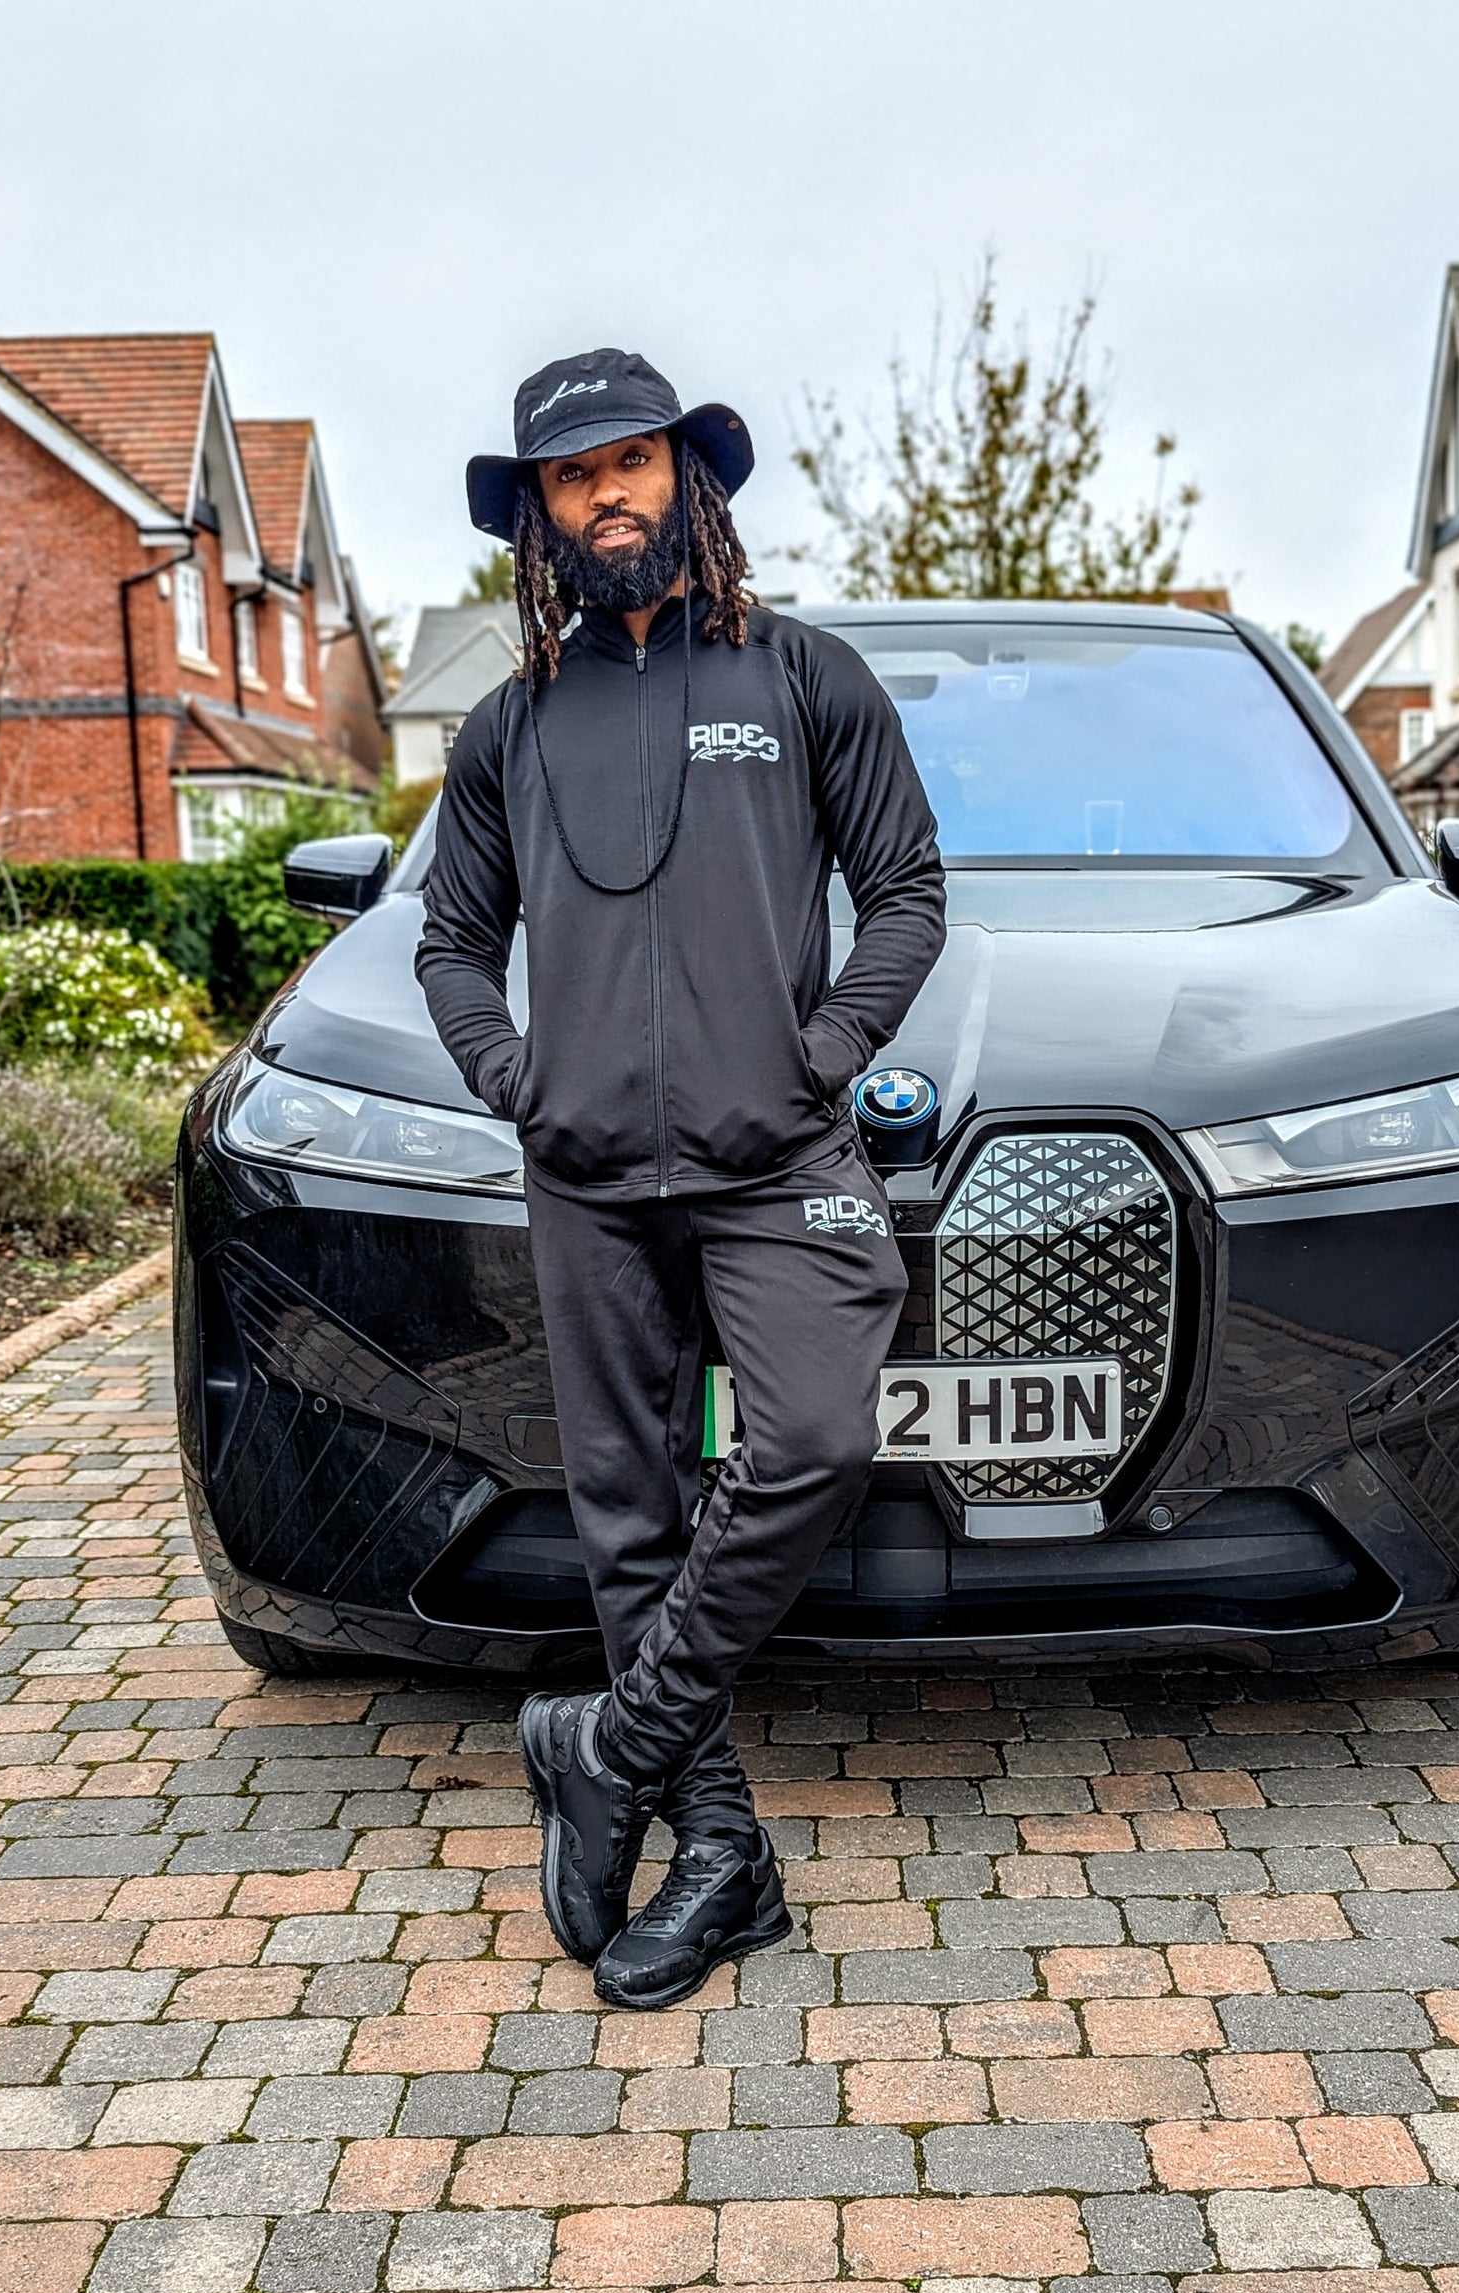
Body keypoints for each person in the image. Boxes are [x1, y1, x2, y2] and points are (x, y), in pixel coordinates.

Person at [415, 350, 945, 2011]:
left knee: (814, 1441)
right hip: (585, 1175)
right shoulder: (510, 725)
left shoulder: (800, 675)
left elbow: (907, 889)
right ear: (540, 515)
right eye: (573, 476)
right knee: (629, 1518)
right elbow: (450, 945)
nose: (607, 495)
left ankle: (608, 1741)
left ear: (687, 479)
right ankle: (719, 1850)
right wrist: (520, 1081)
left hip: (775, 1154)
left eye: (630, 462)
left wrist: (820, 1051)